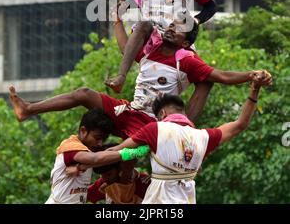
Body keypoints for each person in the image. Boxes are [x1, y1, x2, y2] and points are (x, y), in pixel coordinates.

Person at [9, 17, 272, 139]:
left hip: (150, 122)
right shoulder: (152, 49)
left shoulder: (186, 59)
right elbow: (127, 48)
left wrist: (251, 74)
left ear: (187, 40)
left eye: (179, 28)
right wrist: (116, 21)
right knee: (84, 94)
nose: (171, 28)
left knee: (129, 155)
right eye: (171, 24)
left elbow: (221, 75)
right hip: (129, 109)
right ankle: (28, 109)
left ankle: (182, 133)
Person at [109, 81, 269, 204]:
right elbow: (240, 124)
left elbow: (118, 151)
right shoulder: (203, 137)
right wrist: (255, 90)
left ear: (162, 114)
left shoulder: (155, 129)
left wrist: (89, 158)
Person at [45, 108, 149, 204]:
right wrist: (136, 151)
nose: (100, 143)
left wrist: (80, 167)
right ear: (83, 131)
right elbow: (96, 159)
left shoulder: (145, 182)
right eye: (97, 138)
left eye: (103, 139)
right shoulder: (70, 146)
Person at [83, 144, 150, 204]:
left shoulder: (145, 182)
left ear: (121, 169)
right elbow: (83, 196)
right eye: (101, 175)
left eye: (109, 174)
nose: (104, 178)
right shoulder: (103, 183)